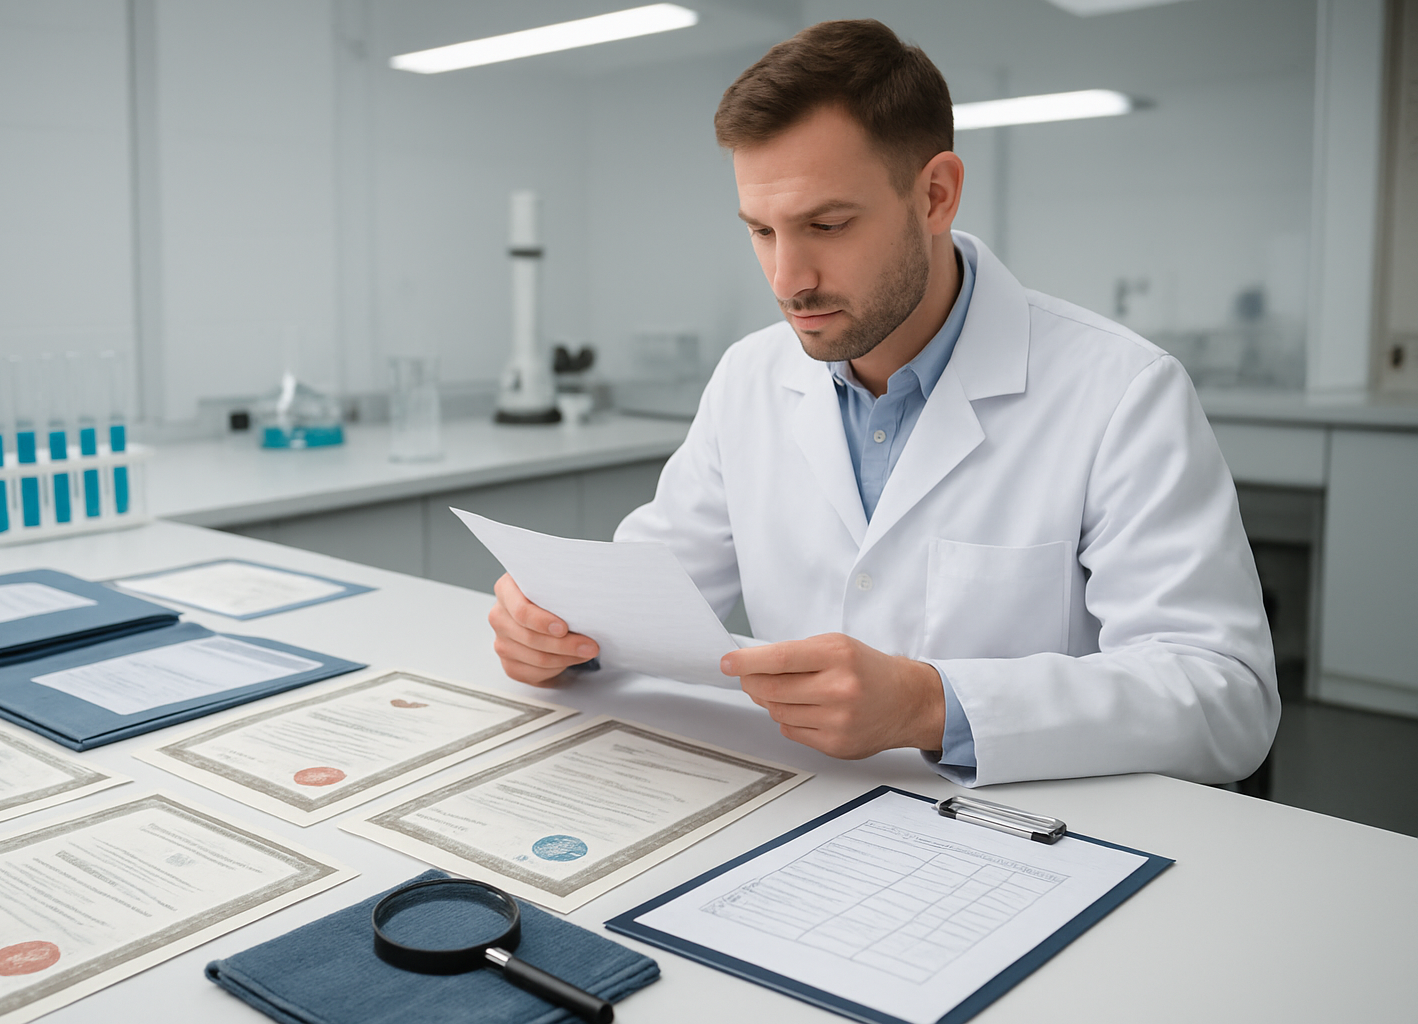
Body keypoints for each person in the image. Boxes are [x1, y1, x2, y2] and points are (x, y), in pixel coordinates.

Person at [487, 19, 1278, 787]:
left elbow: (1226, 698)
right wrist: (563, 633)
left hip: (1028, 829)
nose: (788, 279)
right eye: (761, 230)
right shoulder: (749, 377)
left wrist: (929, 705)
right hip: (797, 805)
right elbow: (652, 591)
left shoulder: (1120, 391)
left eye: (826, 224)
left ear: (935, 195)